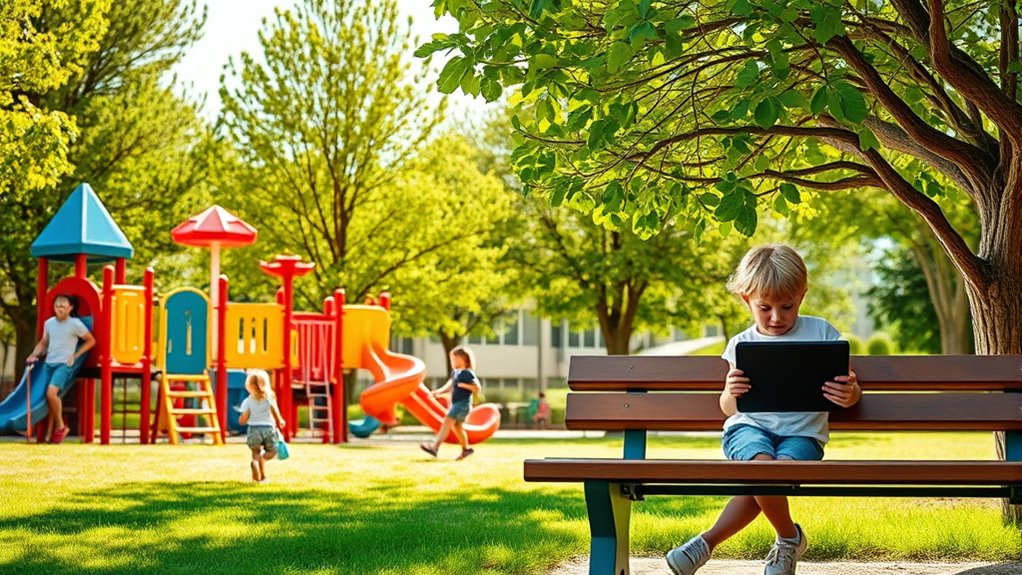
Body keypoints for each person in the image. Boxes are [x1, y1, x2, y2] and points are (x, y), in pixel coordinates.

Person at [666, 244, 861, 575]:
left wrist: (850, 395)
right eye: (764, 307)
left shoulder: (822, 332)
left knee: (768, 476)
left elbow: (850, 387)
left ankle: (707, 542)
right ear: (746, 300)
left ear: (802, 294)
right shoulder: (741, 343)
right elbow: (729, 408)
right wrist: (730, 392)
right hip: (748, 429)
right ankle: (789, 537)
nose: (776, 317)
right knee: (761, 468)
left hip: (802, 435)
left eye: (787, 306)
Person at [25, 295, 96, 444]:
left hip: (64, 364)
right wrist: (34, 354)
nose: (59, 309)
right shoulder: (49, 323)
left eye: (63, 306)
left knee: (51, 393)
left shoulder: (75, 324)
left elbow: (91, 341)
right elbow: (44, 343)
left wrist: (75, 355)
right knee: (47, 398)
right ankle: (50, 433)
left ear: (70, 308)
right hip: (49, 363)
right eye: (57, 306)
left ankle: (61, 427)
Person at [420, 345, 480, 461]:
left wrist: (464, 385)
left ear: (464, 360)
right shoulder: (455, 373)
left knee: (447, 422)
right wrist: (437, 392)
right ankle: (465, 449)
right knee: (457, 427)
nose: (452, 361)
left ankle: (435, 447)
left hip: (463, 404)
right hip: (457, 403)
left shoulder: (467, 373)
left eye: (454, 359)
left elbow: (477, 388)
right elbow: (449, 386)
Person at [239, 369, 286, 482]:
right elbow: (275, 411)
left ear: (248, 386)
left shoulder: (247, 401)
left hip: (253, 430)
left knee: (255, 452)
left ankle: (256, 464)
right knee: (272, 450)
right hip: (268, 429)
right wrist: (280, 420)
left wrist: (244, 417)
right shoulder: (269, 398)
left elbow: (242, 420)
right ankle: (263, 464)